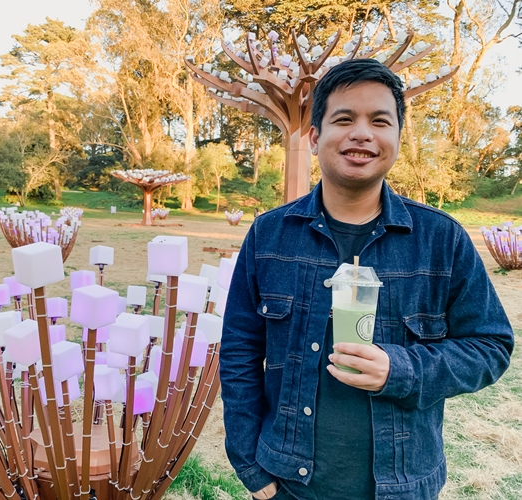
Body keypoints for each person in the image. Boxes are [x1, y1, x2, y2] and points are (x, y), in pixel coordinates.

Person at [220, 58, 514, 500]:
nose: (362, 133)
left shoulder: (441, 239)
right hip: (290, 485)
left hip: (403, 485)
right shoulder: (270, 235)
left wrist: (401, 369)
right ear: (314, 137)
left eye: (380, 121)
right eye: (344, 119)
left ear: (397, 138)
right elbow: (239, 350)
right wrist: (250, 465)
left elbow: (491, 346)